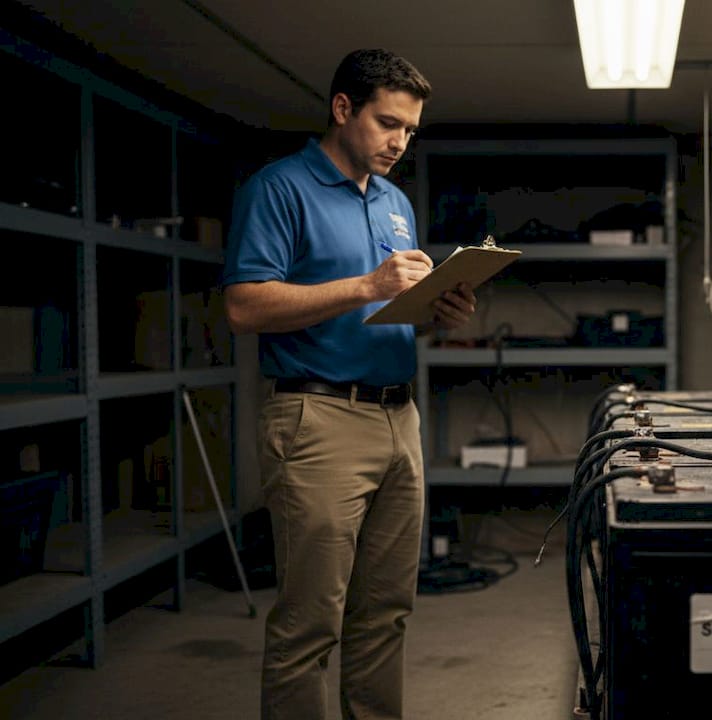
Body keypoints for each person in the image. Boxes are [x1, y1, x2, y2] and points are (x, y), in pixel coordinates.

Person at [221, 48, 477, 720]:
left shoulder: (394, 202)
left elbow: (383, 314)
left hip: (400, 418)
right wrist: (367, 284)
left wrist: (435, 314)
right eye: (388, 123)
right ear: (342, 109)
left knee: (387, 611)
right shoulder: (278, 189)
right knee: (311, 623)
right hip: (318, 418)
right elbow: (244, 307)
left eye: (411, 131)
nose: (400, 142)